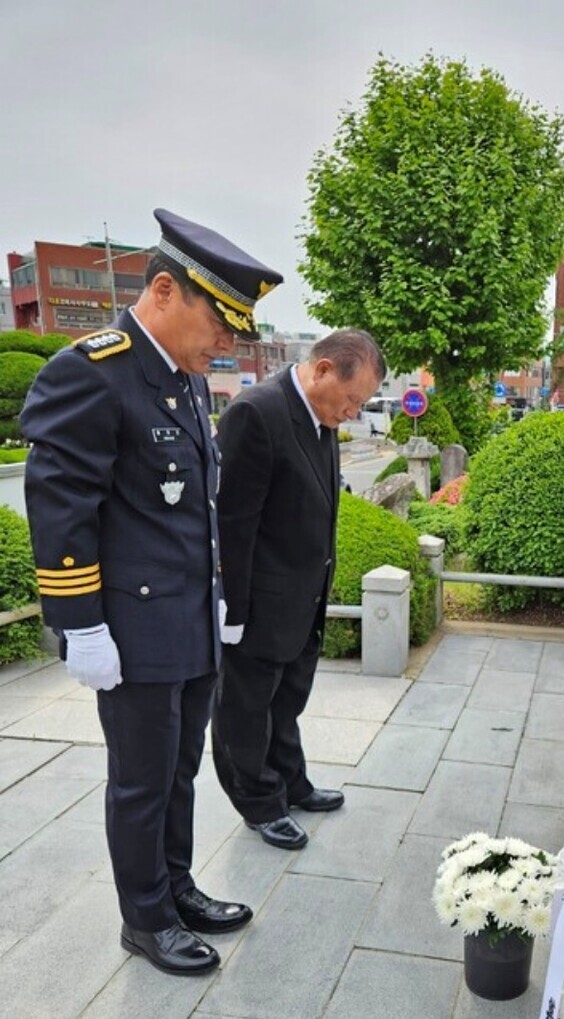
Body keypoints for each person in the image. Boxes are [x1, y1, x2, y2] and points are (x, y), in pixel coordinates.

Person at [20, 208, 283, 976]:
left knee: (178, 769)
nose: (229, 342)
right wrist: (80, 625)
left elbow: (193, 511)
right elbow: (60, 503)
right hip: (132, 632)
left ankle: (175, 887)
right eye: (221, 322)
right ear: (165, 290)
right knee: (140, 780)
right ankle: (145, 917)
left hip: (189, 623)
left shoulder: (184, 380)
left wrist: (222, 603)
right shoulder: (93, 369)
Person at [212, 329, 386, 850]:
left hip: (304, 597)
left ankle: (291, 783)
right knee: (246, 710)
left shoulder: (322, 420)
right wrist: (233, 609)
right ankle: (258, 802)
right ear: (325, 370)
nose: (354, 412)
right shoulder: (257, 413)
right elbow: (234, 524)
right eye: (354, 400)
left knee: (286, 702)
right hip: (259, 601)